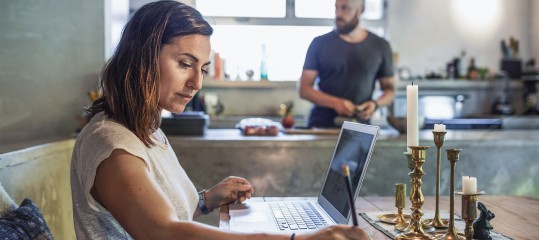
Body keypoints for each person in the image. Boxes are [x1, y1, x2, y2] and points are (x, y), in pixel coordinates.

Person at [70, 1, 370, 239]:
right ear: (142, 57)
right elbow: (162, 231)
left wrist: (207, 199)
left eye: (202, 69)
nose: (196, 83)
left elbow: (160, 211)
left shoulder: (146, 130)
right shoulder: (113, 144)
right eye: (185, 64)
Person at [298, 0, 396, 128]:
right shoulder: (319, 44)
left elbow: (390, 91)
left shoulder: (381, 46)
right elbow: (304, 89)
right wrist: (335, 103)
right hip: (322, 127)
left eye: (345, 8)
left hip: (361, 128)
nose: (338, 14)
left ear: (361, 9)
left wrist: (375, 104)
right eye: (336, 8)